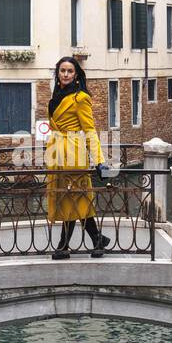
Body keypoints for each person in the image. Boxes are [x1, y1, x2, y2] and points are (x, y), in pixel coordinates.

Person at [45, 56, 111, 259]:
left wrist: (99, 160)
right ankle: (97, 238)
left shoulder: (80, 97)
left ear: (76, 75)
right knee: (73, 197)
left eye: (70, 71)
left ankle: (63, 246)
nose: (65, 74)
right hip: (57, 152)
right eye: (62, 70)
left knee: (72, 197)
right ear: (58, 73)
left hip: (74, 153)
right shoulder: (56, 95)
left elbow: (90, 130)